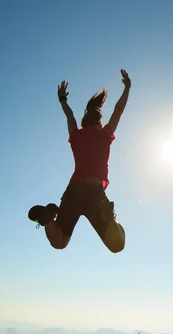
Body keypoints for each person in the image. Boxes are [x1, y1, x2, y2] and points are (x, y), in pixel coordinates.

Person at [28, 69, 131, 253]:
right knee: (117, 245)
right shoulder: (104, 135)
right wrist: (127, 88)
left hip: (74, 192)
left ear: (84, 122)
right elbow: (118, 111)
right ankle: (110, 218)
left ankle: (48, 219)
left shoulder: (76, 136)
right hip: (95, 194)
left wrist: (62, 99)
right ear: (99, 122)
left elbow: (69, 116)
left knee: (59, 242)